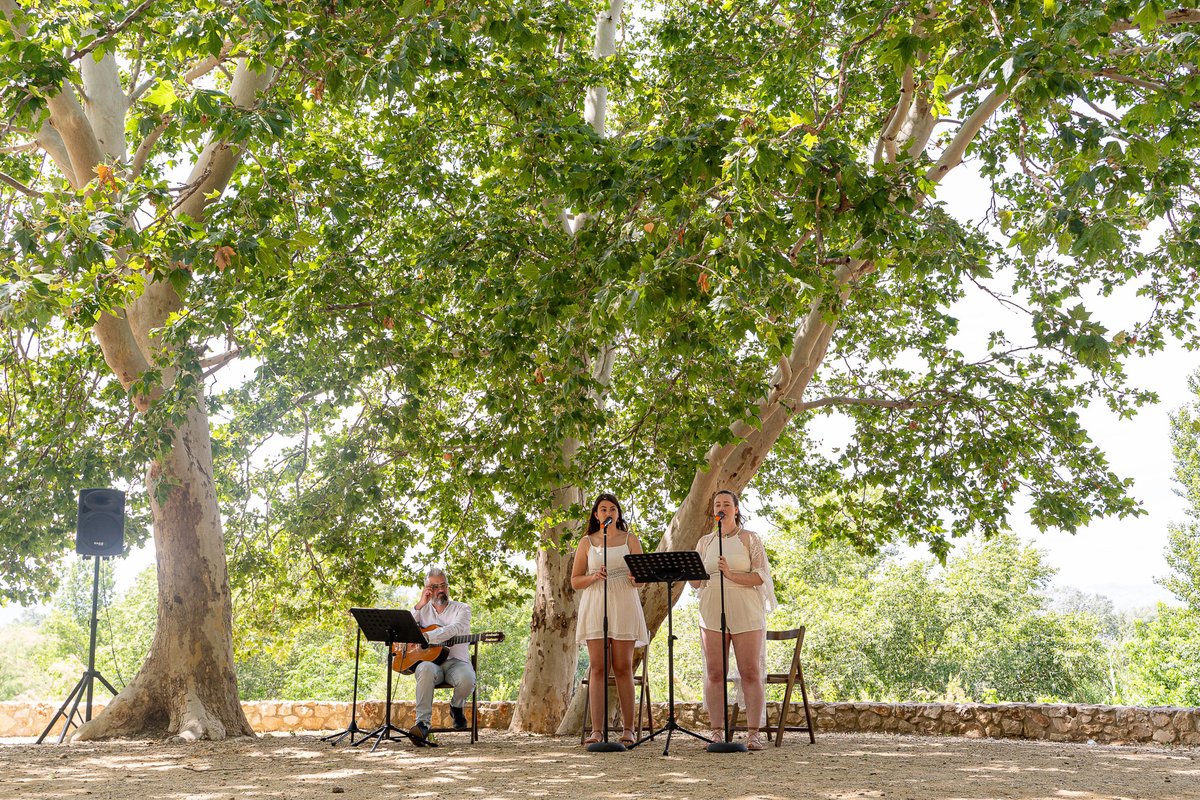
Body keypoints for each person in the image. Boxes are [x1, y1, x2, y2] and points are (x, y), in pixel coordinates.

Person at [689, 489, 777, 751]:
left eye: (727, 504)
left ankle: (753, 733)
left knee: (750, 671)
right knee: (715, 672)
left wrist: (730, 574)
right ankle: (716, 732)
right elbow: (696, 584)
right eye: (717, 504)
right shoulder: (704, 542)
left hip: (745, 608)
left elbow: (761, 577)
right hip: (711, 609)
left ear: (736, 509)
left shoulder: (750, 539)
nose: (722, 507)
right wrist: (687, 573)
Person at [572, 492, 650, 747]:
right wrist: (594, 577)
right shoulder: (587, 542)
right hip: (596, 602)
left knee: (622, 667)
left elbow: (642, 578)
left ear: (618, 514)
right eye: (603, 509)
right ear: (596, 515)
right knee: (597, 667)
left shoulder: (631, 539)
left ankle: (628, 729)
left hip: (624, 602)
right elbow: (575, 580)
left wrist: (636, 578)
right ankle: (597, 731)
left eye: (612, 509)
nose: (608, 512)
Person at [409, 567, 475, 745]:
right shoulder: (422, 610)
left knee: (468, 680)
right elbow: (406, 629)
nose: (440, 590)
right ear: (428, 590)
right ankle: (422, 725)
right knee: (423, 668)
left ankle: (456, 706)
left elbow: (454, 629)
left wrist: (428, 636)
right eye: (435, 586)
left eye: (443, 585)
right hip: (432, 664)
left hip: (457, 662)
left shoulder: (462, 609)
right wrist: (420, 604)